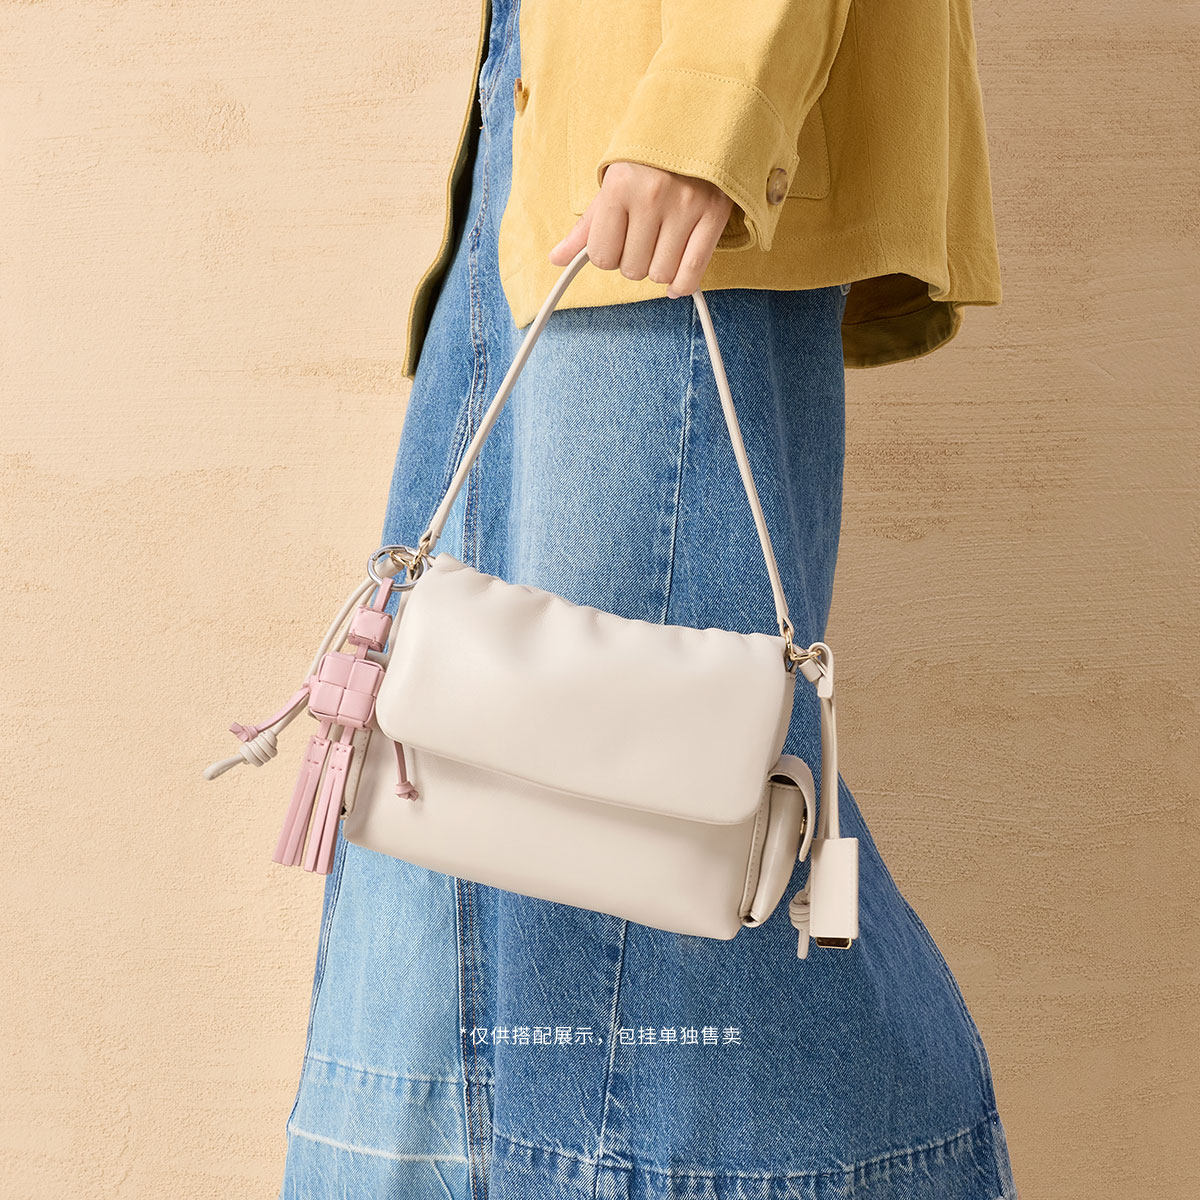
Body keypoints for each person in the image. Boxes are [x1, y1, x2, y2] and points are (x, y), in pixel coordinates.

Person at [278, 1, 1018, 1198]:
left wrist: (707, 106)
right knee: (443, 782)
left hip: (658, 115)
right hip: (551, 107)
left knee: (652, 809)